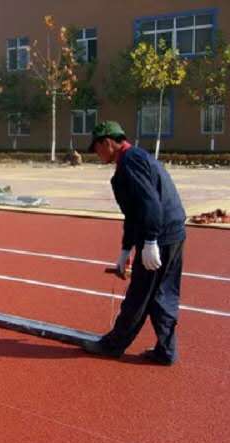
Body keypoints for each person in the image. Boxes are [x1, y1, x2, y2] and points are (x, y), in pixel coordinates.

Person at [82, 121, 186, 366]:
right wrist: (126, 249)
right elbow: (134, 212)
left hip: (160, 236)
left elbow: (150, 203)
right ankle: (166, 350)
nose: (96, 154)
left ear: (108, 142)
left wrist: (150, 241)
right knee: (162, 293)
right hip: (174, 233)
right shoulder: (137, 157)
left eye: (96, 148)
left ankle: (112, 345)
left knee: (139, 294)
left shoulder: (130, 162)